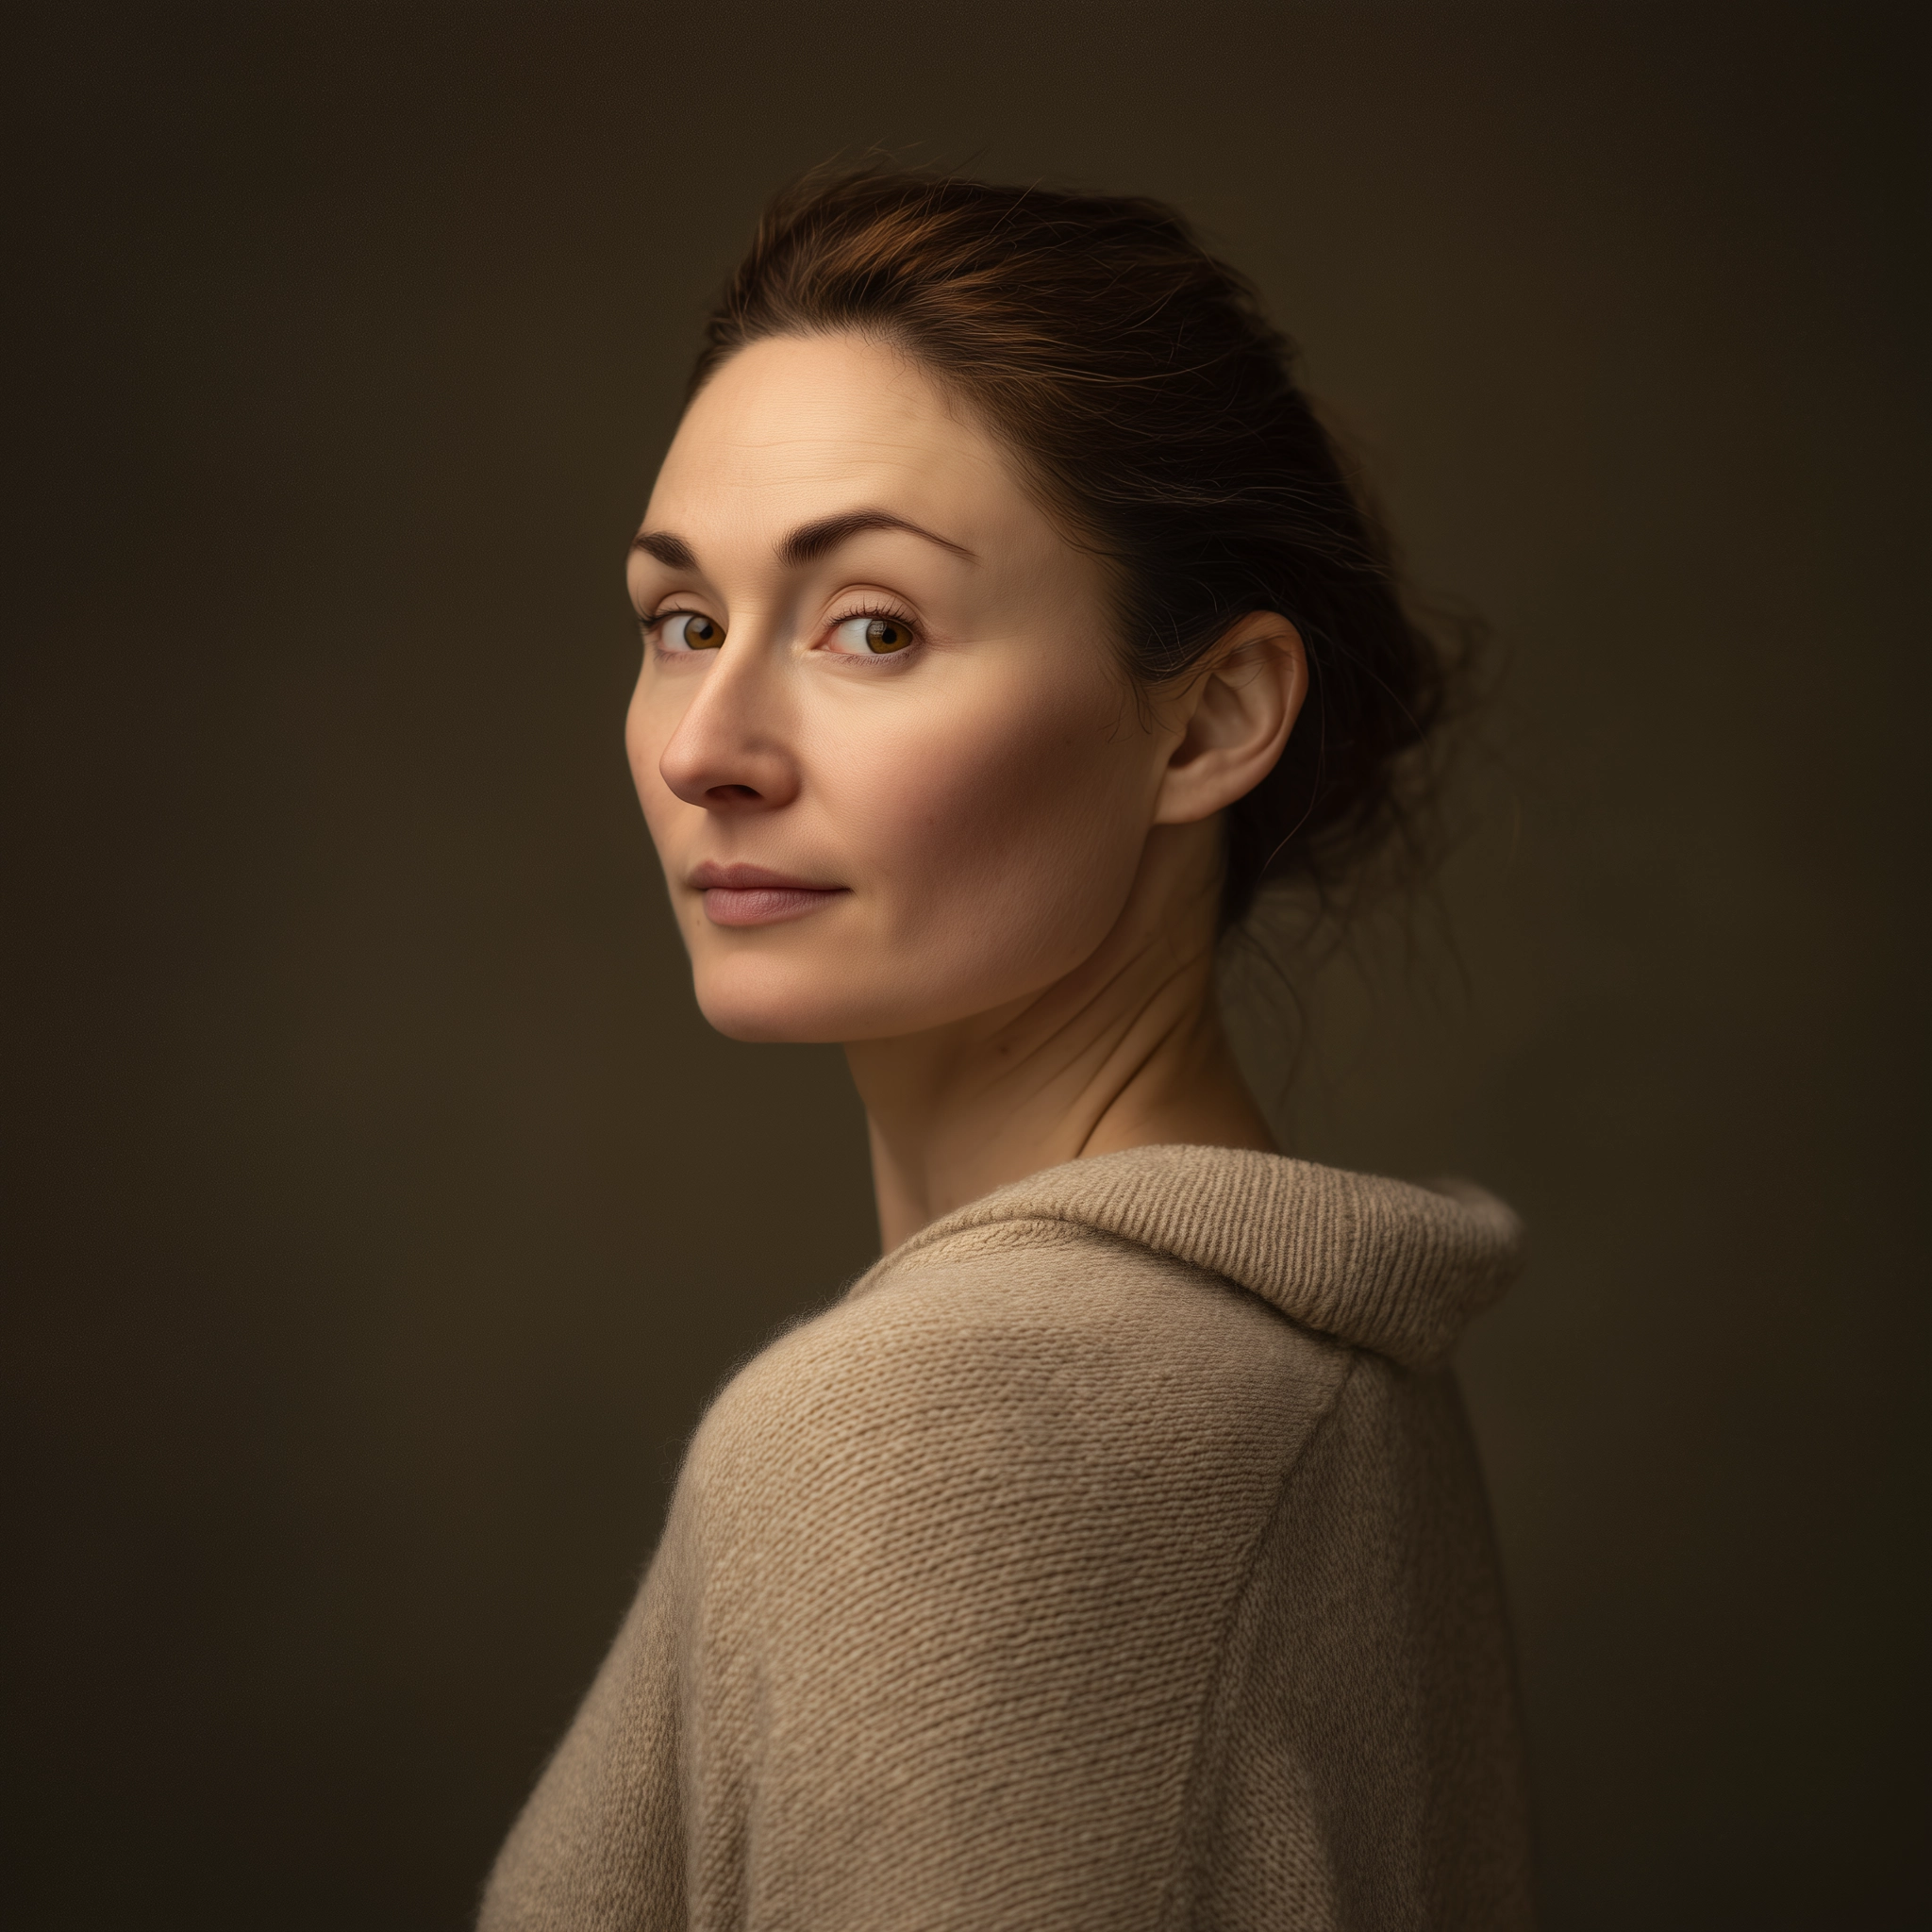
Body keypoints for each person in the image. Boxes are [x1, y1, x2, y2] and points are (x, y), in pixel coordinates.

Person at [480, 171, 1534, 1931]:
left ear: (1211, 717)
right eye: (683, 624)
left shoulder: (944, 1436)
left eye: (871, 628)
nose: (709, 748)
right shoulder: (1305, 1381)